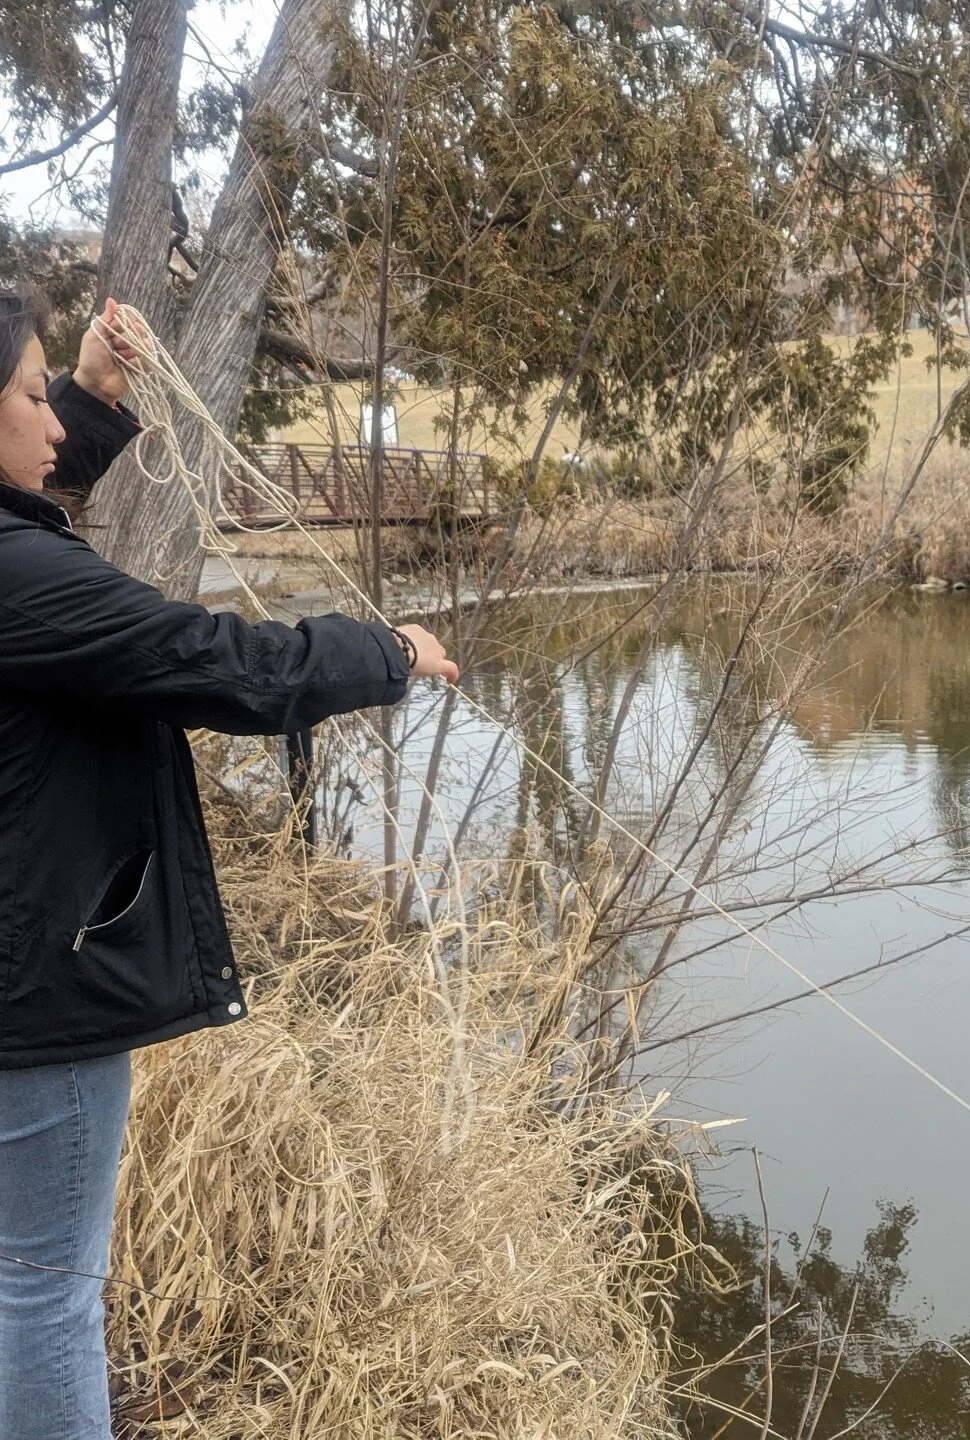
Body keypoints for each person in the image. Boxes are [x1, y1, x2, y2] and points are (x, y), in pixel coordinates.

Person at [0, 286, 459, 1439]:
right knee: (48, 1296)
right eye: (25, 393)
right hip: (39, 1004)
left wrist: (95, 403)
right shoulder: (17, 585)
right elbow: (221, 662)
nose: (49, 422)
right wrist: (389, 654)